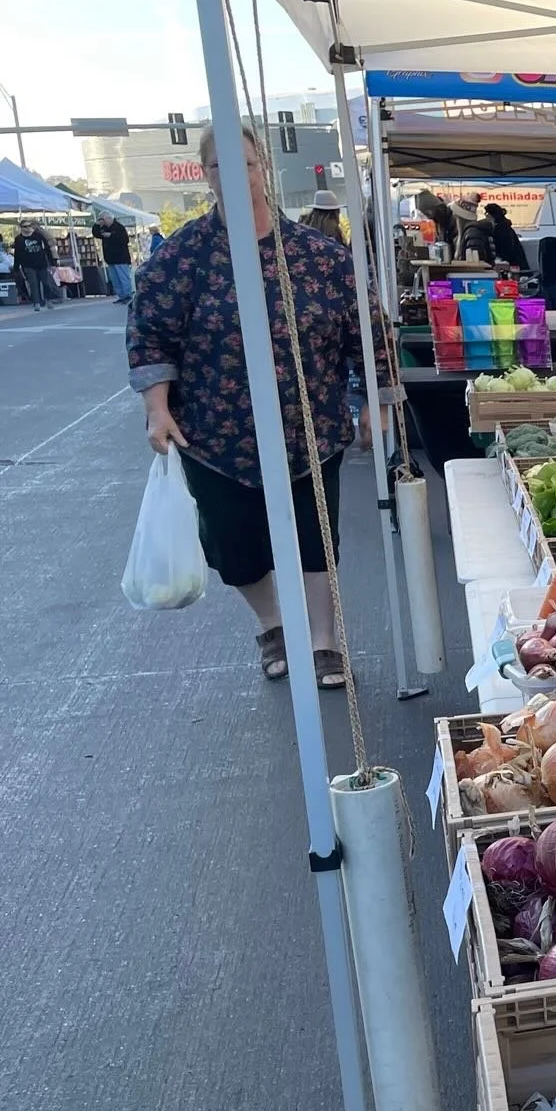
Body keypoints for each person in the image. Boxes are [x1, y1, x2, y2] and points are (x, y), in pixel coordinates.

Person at [127, 122, 389, 688]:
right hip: (214, 434)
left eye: (247, 164)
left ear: (262, 168)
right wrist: (157, 407)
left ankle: (323, 643)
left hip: (309, 426)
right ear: (206, 175)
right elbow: (150, 335)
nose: (237, 177)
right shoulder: (180, 258)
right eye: (222, 166)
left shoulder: (319, 256)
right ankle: (272, 626)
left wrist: (374, 400)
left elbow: (366, 331)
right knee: (233, 545)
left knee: (315, 539)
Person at [12, 219, 58, 310]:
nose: (28, 228)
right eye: (25, 226)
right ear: (21, 228)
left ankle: (48, 300)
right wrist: (16, 267)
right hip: (28, 265)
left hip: (41, 263)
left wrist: (52, 263)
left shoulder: (38, 236)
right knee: (33, 284)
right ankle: (36, 302)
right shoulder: (19, 239)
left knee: (46, 282)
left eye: (29, 226)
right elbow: (17, 253)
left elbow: (47, 249)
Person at [93, 211, 135, 303]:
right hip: (110, 259)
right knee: (115, 279)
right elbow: (96, 234)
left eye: (103, 219)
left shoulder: (119, 227)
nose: (102, 222)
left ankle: (128, 295)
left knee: (123, 278)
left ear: (108, 218)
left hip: (121, 258)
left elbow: (125, 239)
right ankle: (121, 296)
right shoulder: (103, 228)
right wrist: (96, 224)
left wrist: (111, 235)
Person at [482, 202, 529, 270]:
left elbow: (505, 251)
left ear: (491, 215)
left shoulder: (500, 230)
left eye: (486, 214)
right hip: (516, 265)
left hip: (510, 267)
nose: (485, 216)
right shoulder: (506, 226)